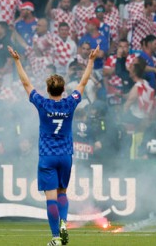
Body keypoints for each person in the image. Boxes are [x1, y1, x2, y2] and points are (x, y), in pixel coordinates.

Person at [8, 44, 99, 246]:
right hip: (66, 155)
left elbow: (25, 83)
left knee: (50, 198)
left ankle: (56, 237)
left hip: (47, 156)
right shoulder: (70, 103)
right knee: (63, 193)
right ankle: (64, 223)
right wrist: (91, 61)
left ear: (48, 89)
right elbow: (83, 82)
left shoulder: (42, 103)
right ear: (63, 89)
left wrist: (18, 61)